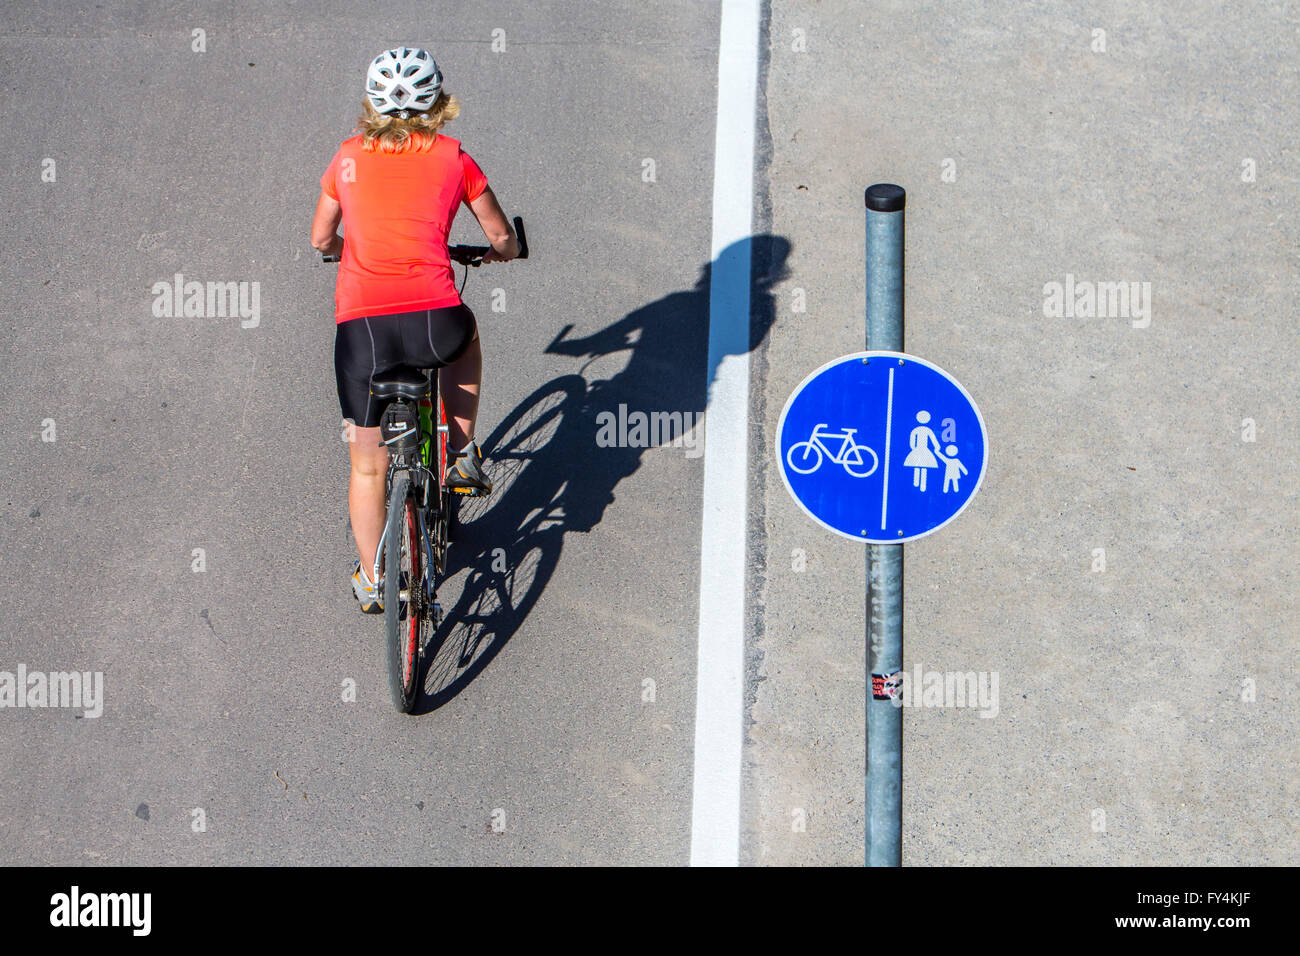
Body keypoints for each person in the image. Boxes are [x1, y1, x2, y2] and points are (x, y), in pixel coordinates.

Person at [310, 47, 520, 613]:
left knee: (367, 462)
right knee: (466, 335)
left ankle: (375, 578)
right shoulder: (454, 157)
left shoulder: (346, 158)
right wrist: (506, 253)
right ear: (437, 101)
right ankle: (460, 451)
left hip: (364, 332)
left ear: (371, 103)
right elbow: (500, 236)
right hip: (435, 321)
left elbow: (320, 239)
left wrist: (348, 248)